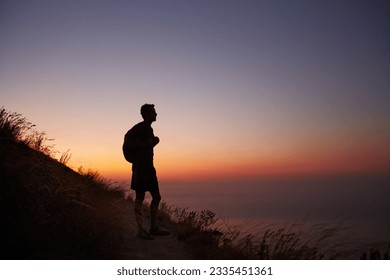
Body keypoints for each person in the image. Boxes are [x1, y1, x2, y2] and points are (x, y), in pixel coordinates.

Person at [124, 104, 169, 240]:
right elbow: (138, 145)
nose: (156, 114)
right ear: (146, 114)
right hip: (141, 168)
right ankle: (142, 231)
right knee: (140, 198)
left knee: (156, 197)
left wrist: (153, 142)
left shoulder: (147, 128)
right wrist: (152, 142)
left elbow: (145, 145)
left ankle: (152, 228)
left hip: (148, 168)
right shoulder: (141, 128)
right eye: (154, 112)